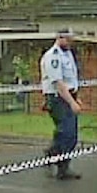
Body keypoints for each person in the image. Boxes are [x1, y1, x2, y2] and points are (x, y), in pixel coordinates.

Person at [40, 28, 83, 180]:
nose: (71, 42)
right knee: (67, 132)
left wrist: (75, 97)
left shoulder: (68, 54)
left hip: (68, 95)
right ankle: (59, 164)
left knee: (69, 135)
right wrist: (72, 103)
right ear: (60, 38)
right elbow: (58, 83)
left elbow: (71, 79)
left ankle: (55, 158)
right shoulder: (53, 56)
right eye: (68, 39)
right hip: (58, 98)